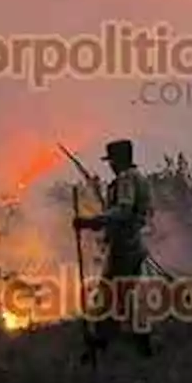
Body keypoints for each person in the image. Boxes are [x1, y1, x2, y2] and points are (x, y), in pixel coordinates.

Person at [73, 138, 154, 358]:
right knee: (122, 299)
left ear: (119, 160)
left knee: (109, 298)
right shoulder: (139, 179)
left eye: (112, 161)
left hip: (125, 248)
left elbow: (123, 211)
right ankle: (130, 345)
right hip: (130, 245)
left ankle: (100, 346)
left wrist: (92, 222)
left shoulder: (126, 179)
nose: (110, 165)